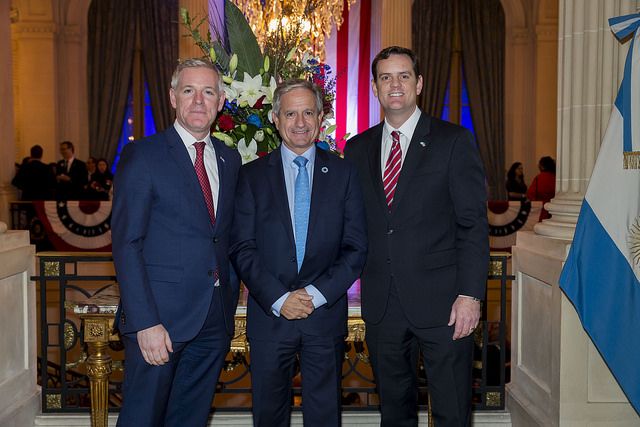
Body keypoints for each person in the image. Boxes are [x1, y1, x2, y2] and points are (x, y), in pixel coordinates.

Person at [343, 46, 489, 426]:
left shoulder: (453, 140)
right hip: (382, 306)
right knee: (394, 412)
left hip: (445, 305)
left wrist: (470, 295)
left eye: (404, 76)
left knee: (452, 411)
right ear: (375, 87)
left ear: (419, 83)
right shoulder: (356, 149)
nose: (395, 85)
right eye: (386, 77)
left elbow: (472, 224)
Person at [111, 58, 241, 427]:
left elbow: (224, 237)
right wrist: (144, 323)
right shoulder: (143, 155)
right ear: (172, 97)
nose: (199, 100)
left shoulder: (230, 160)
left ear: (220, 101)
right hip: (159, 323)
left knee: (190, 419)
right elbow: (127, 243)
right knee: (142, 418)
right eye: (189, 90)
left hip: (214, 319)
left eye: (208, 92)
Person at [230, 79, 367, 427]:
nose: (300, 122)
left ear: (321, 117)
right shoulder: (251, 176)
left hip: (324, 317)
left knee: (324, 416)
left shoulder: (344, 173)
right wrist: (279, 297)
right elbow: (242, 247)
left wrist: (314, 294)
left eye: (308, 112)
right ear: (275, 119)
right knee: (268, 416)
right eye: (291, 113)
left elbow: (355, 247)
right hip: (270, 316)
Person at [527, 156, 556, 221]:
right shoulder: (555, 178)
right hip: (554, 209)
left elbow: (530, 194)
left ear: (542, 166)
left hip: (541, 209)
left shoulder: (539, 178)